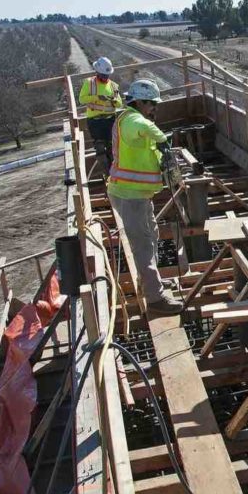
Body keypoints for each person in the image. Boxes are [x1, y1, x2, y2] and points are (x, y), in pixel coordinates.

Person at [107, 79, 182, 316]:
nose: (154, 109)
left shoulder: (134, 119)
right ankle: (155, 299)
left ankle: (151, 282)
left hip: (138, 195)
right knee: (143, 246)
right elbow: (140, 128)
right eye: (151, 104)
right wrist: (161, 139)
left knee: (151, 235)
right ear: (138, 102)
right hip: (130, 196)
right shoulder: (131, 120)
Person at [78, 56, 122, 173]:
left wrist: (114, 101)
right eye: (103, 75)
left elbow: (119, 104)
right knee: (100, 148)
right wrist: (97, 97)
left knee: (113, 149)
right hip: (95, 121)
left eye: (106, 75)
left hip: (110, 120)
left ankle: (116, 173)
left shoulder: (113, 86)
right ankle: (107, 174)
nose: (105, 77)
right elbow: (82, 99)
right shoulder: (89, 83)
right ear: (97, 72)